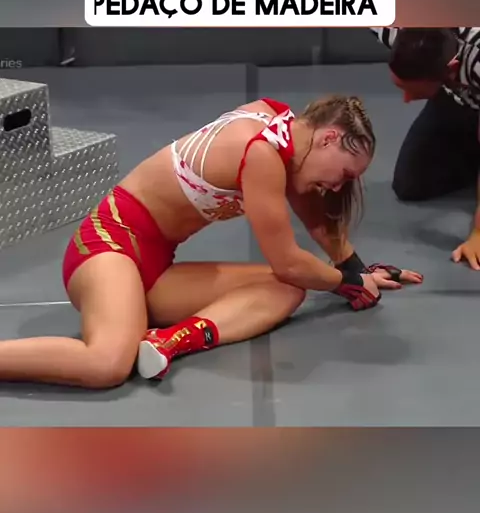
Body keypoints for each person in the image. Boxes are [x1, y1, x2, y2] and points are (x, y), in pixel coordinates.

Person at [0, 94, 422, 389]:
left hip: (155, 270)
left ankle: (167, 341)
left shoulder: (283, 127)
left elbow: (314, 223)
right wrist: (347, 284)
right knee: (106, 364)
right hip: (107, 247)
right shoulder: (261, 153)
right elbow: (289, 261)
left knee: (288, 290)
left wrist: (357, 270)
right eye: (345, 174)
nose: (338, 187)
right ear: (328, 138)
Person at [370, 27, 480, 269]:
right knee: (410, 185)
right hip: (459, 99)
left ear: (451, 68)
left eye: (414, 90)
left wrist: (478, 233)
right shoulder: (398, 33)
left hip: (467, 85)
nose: (407, 99)